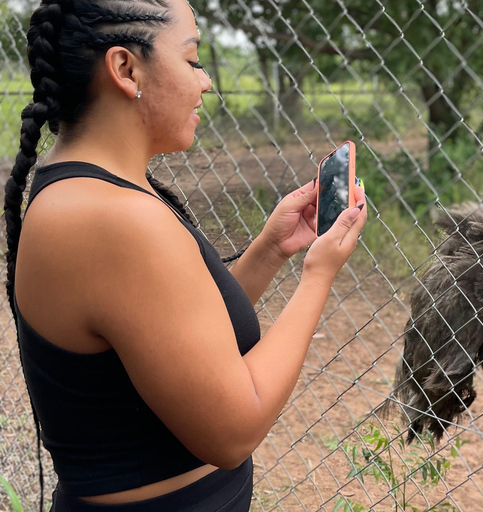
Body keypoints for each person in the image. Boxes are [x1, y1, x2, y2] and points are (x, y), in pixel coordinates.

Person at [3, 0, 367, 510]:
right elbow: (234, 429)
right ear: (126, 69)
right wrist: (318, 274)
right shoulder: (112, 219)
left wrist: (269, 250)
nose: (206, 82)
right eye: (193, 59)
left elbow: (177, 334)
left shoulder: (89, 191)